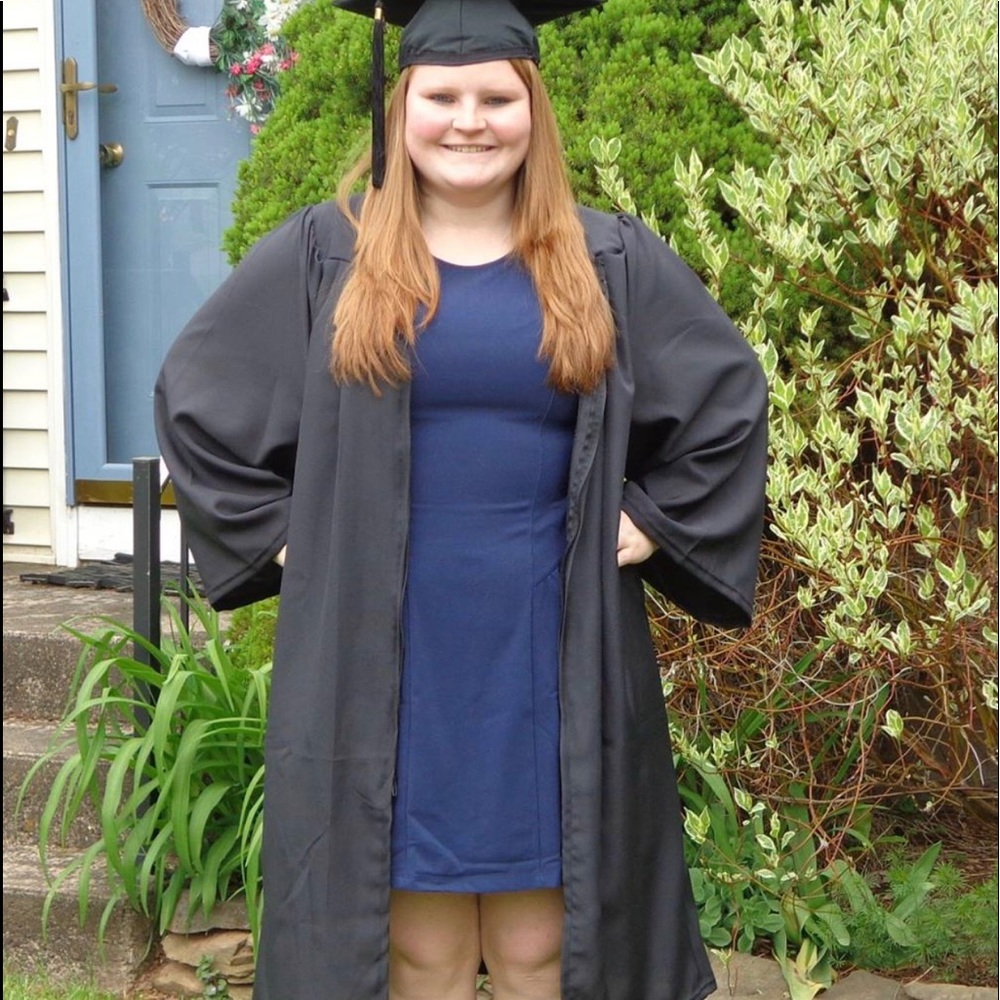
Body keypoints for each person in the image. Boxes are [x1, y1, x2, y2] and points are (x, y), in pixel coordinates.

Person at [154, 1, 769, 998]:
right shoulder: (329, 253)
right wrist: (280, 536)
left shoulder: (603, 255)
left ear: (534, 110)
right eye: (443, 96)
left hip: (553, 647)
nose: (469, 119)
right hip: (387, 655)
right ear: (403, 108)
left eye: (497, 96)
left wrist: (653, 519)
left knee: (541, 947)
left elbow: (726, 397)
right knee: (417, 951)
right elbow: (198, 390)